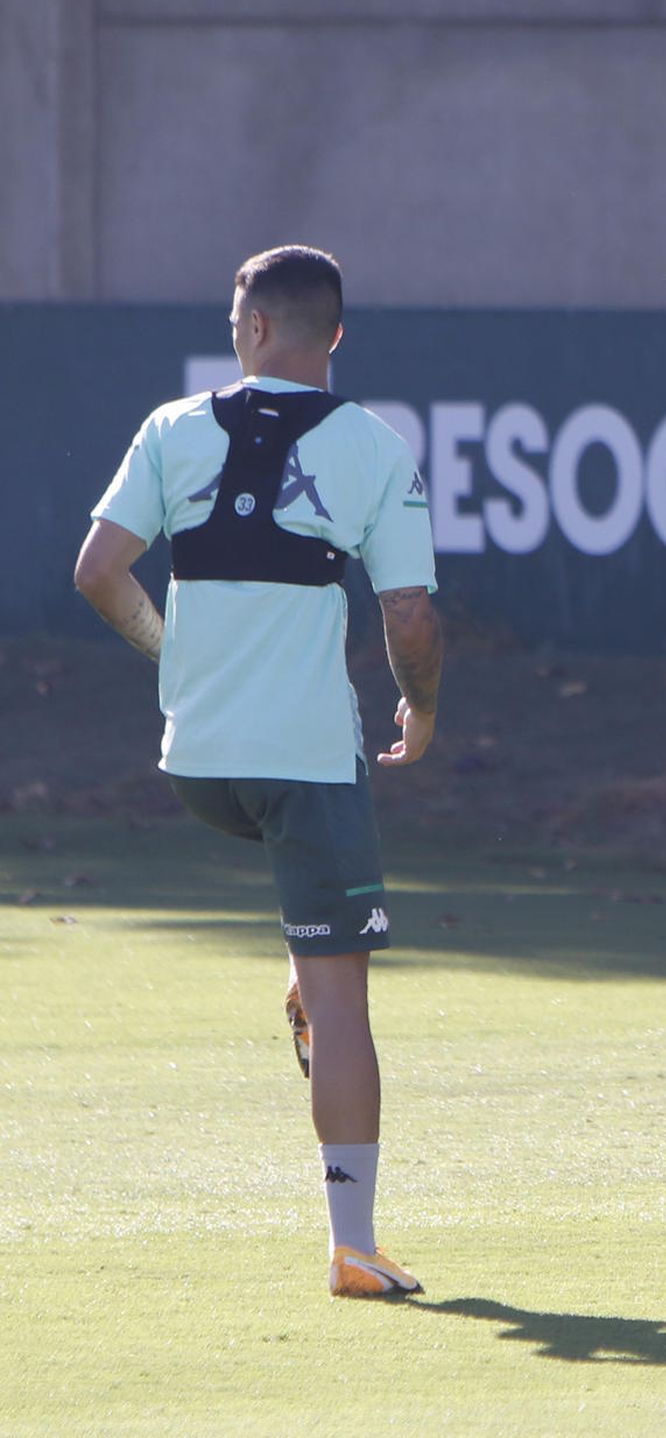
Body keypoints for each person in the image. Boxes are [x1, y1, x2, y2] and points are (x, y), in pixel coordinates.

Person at [74, 245, 443, 1299]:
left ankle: (303, 937)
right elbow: (409, 615)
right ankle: (355, 1246)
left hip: (196, 764)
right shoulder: (374, 445)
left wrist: (168, 651)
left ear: (246, 329)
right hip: (304, 768)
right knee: (343, 1001)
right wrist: (421, 709)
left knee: (304, 878)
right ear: (334, 336)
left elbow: (100, 571)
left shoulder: (171, 427)